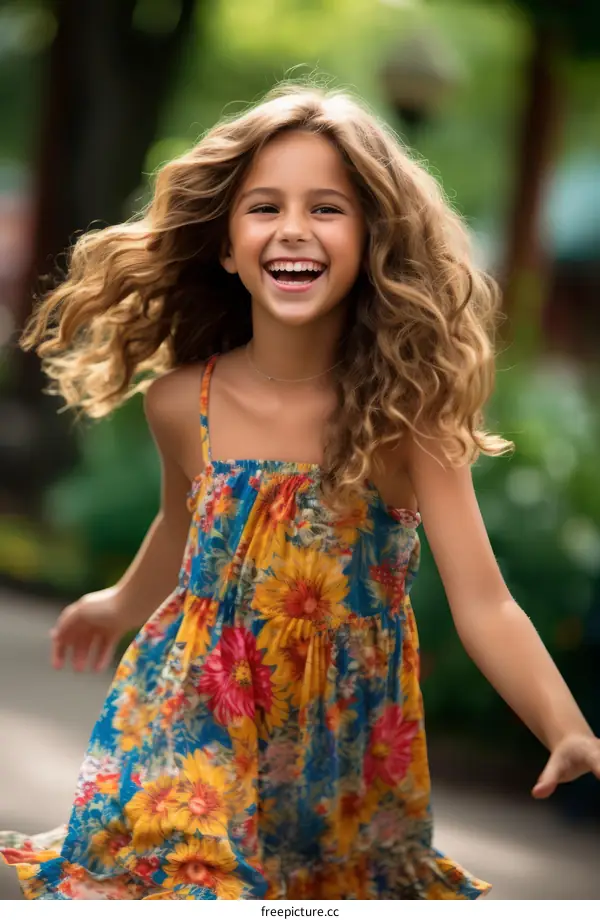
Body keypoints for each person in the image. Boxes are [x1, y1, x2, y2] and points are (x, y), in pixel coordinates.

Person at [2, 83, 599, 901]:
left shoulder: (403, 420)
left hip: (338, 744)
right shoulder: (182, 403)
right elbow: (182, 535)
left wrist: (565, 726)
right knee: (184, 883)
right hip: (186, 710)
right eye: (263, 207)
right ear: (224, 244)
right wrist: (116, 602)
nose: (292, 228)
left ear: (372, 240)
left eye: (327, 208)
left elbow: (485, 603)